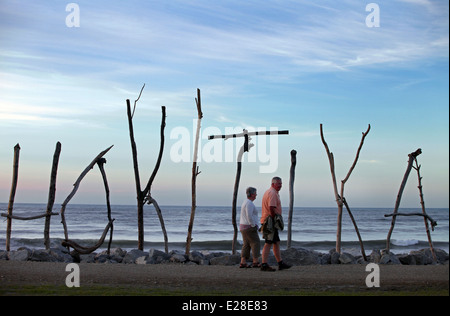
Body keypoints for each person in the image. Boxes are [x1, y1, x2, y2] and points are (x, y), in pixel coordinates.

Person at [260, 177, 292, 271]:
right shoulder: (273, 193)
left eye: (281, 184)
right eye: (278, 184)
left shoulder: (271, 192)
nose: (280, 186)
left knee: (276, 242)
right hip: (270, 222)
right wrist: (275, 220)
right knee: (268, 242)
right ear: (273, 184)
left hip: (268, 220)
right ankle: (264, 264)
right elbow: (271, 208)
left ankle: (280, 263)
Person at [239, 187, 261, 268]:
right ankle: (255, 261)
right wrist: (253, 225)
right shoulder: (249, 203)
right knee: (255, 243)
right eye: (255, 194)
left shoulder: (245, 202)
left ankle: (243, 261)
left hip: (243, 226)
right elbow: (249, 215)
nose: (256, 196)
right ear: (252, 194)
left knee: (246, 244)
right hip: (249, 227)